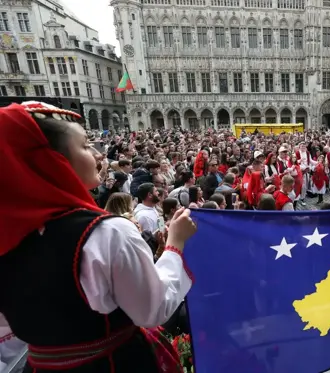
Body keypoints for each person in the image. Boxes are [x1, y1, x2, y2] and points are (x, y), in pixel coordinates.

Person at [0, 102, 197, 373]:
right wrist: (175, 245)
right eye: (84, 146)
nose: (98, 155)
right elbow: (153, 310)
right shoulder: (106, 233)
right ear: (52, 160)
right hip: (113, 364)